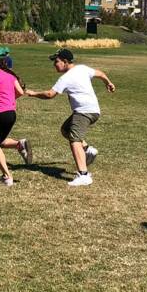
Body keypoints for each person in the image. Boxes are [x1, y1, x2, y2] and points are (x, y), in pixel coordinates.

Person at [26, 48, 115, 187]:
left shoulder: (66, 78)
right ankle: (88, 150)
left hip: (83, 112)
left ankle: (84, 175)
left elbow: (50, 94)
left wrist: (33, 94)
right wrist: (108, 83)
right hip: (93, 110)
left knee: (74, 140)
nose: (54, 64)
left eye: (56, 61)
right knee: (66, 130)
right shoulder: (82, 68)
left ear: (65, 61)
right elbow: (100, 73)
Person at [0, 49, 32, 186]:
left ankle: (7, 176)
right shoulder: (10, 75)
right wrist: (11, 98)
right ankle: (19, 144)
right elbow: (21, 92)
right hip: (12, 113)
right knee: (0, 140)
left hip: (0, 113)